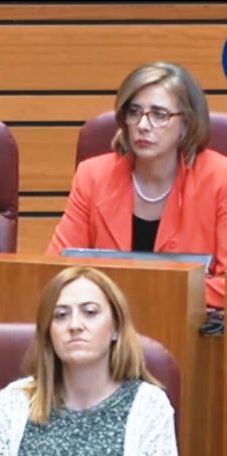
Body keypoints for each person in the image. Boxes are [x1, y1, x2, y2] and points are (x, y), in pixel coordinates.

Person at [47, 62, 227, 309]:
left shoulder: (220, 179)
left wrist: (144, 290)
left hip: (189, 332)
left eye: (159, 114)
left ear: (186, 125)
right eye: (134, 112)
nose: (142, 125)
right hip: (106, 333)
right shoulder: (92, 175)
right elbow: (56, 269)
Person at [0, 266, 178, 456]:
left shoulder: (149, 407)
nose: (75, 325)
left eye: (90, 312)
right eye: (61, 315)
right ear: (48, 332)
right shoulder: (14, 402)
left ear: (116, 326)